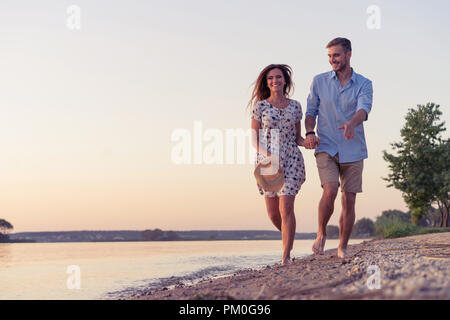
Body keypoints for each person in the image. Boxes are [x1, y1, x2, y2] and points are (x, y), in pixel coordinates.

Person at [304, 38, 373, 258]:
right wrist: (310, 132)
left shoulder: (364, 83)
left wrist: (352, 124)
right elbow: (310, 112)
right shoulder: (319, 81)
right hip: (326, 145)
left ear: (348, 55)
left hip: (353, 147)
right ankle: (321, 232)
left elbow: (364, 109)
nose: (332, 60)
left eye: (337, 55)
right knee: (331, 189)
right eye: (330, 56)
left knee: (349, 198)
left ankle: (343, 246)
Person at [248, 64, 306, 265]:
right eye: (271, 78)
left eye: (278, 77)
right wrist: (268, 154)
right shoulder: (260, 106)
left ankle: (285, 256)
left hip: (291, 159)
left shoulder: (296, 106)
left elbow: (297, 137)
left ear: (285, 80)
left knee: (286, 208)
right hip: (268, 162)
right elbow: (254, 139)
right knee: (273, 214)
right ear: (267, 82)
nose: (275, 81)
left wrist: (307, 141)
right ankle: (288, 237)